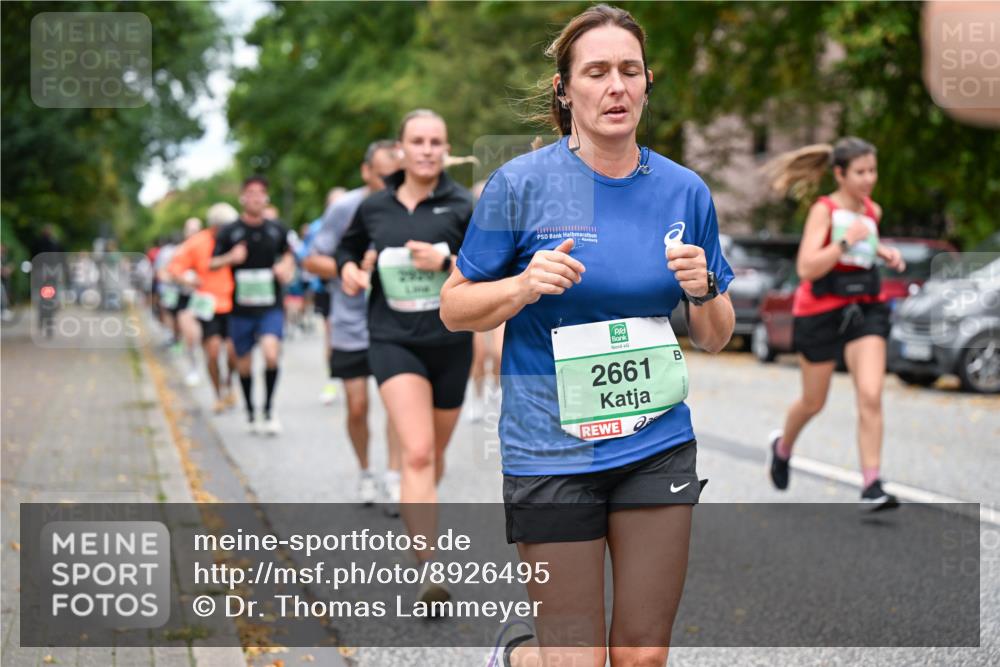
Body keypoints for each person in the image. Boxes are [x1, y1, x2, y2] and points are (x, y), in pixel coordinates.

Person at [439, 5, 735, 665]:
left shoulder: (684, 192)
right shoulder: (521, 186)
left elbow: (715, 334)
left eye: (630, 71)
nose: (616, 86)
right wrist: (521, 285)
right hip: (550, 449)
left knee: (642, 654)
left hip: (655, 441)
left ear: (647, 83)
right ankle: (518, 656)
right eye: (597, 72)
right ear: (565, 90)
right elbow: (454, 307)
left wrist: (703, 288)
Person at [334, 110, 474, 603]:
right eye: (418, 141)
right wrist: (350, 271)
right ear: (401, 148)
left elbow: (491, 271)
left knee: (433, 456)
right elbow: (345, 252)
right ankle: (429, 567)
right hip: (393, 340)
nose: (428, 150)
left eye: (437, 141)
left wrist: (446, 262)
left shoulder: (462, 205)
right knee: (415, 451)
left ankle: (420, 518)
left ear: (447, 148)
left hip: (451, 343)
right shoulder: (375, 207)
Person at [763, 137, 906, 510]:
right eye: (860, 172)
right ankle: (783, 447)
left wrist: (883, 251)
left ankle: (872, 483)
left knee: (871, 394)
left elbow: (865, 250)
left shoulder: (872, 211)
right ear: (840, 174)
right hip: (820, 312)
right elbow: (807, 267)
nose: (868, 179)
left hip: (864, 308)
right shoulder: (823, 211)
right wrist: (844, 242)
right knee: (814, 401)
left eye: (872, 170)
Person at [303, 141, 404, 509]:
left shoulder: (409, 206)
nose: (391, 181)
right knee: (357, 406)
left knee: (397, 404)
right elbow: (312, 261)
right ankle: (365, 472)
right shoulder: (344, 208)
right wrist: (351, 268)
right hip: (350, 322)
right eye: (383, 176)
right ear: (366, 173)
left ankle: (394, 476)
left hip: (395, 323)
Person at [211, 176, 295, 435]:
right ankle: (250, 410)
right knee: (243, 364)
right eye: (250, 193)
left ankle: (269, 409)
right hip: (241, 307)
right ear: (243, 198)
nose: (256, 198)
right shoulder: (230, 231)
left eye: (260, 193)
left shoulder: (276, 229)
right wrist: (231, 257)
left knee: (271, 354)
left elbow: (290, 254)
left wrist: (285, 267)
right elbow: (212, 263)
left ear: (266, 198)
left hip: (270, 304)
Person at [169, 203, 240, 413]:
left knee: (234, 352)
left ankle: (230, 384)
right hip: (209, 306)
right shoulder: (197, 242)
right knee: (213, 352)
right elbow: (175, 267)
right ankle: (218, 394)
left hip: (234, 303)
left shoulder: (237, 241)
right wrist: (188, 280)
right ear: (216, 227)